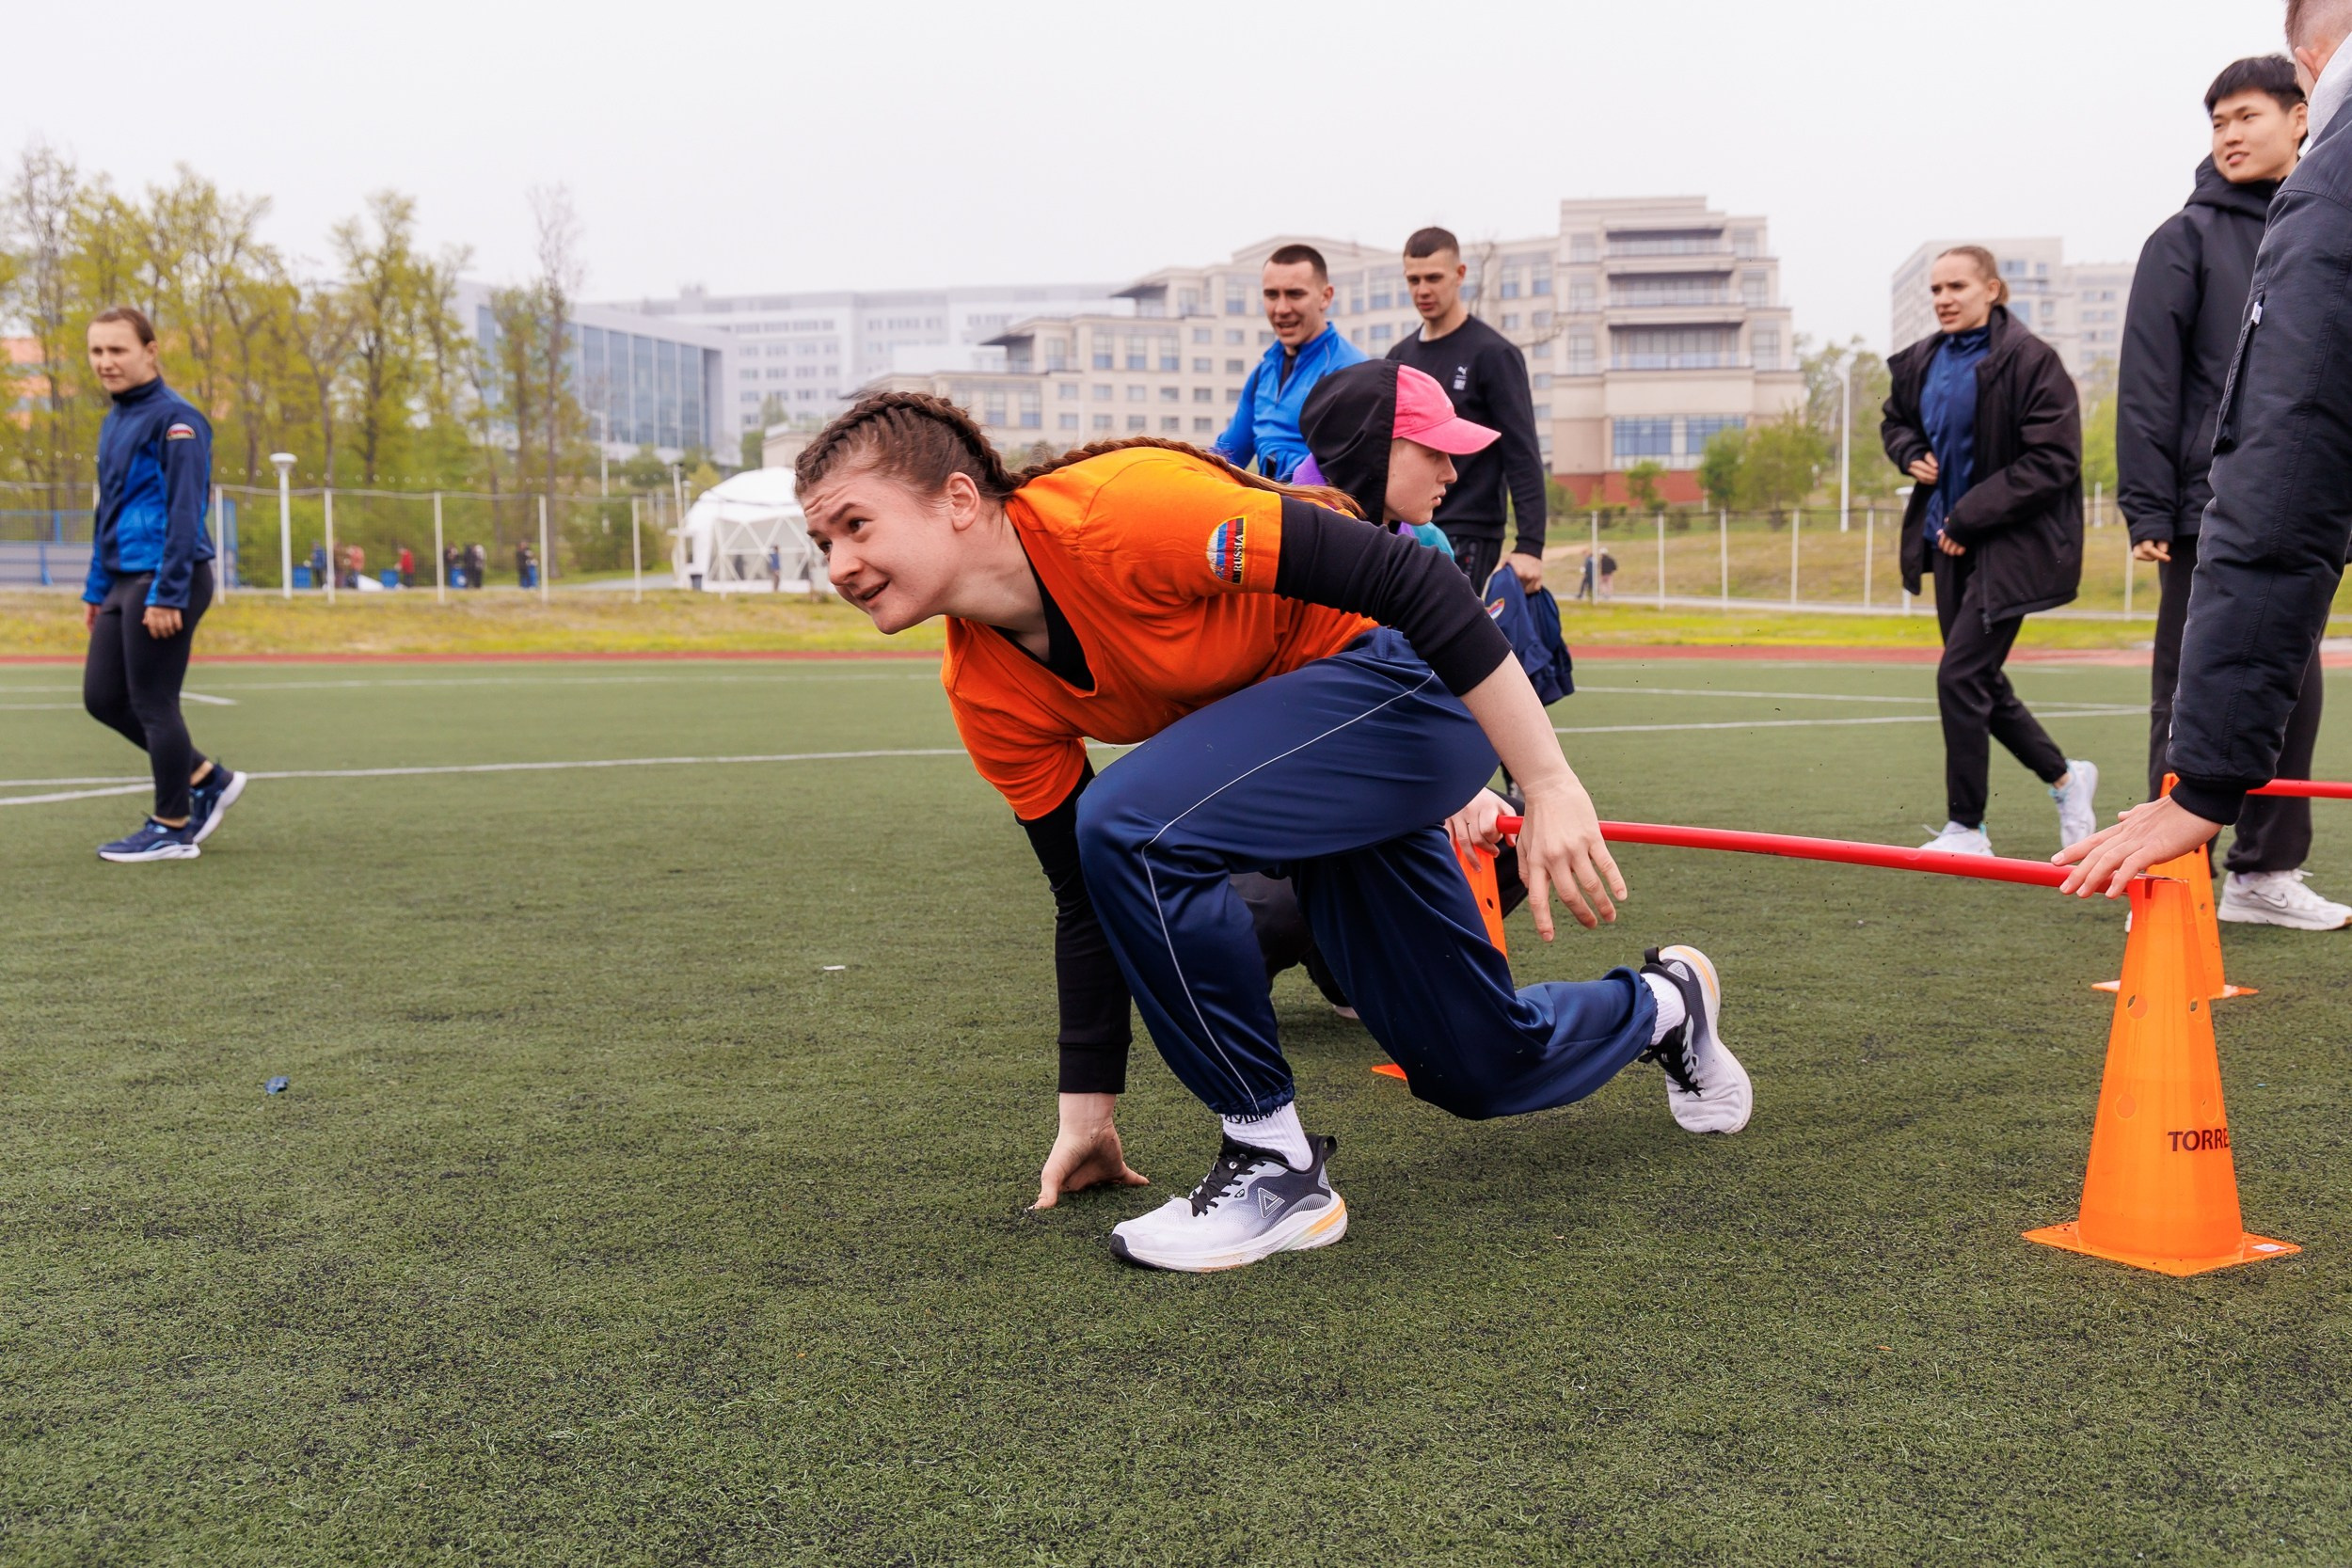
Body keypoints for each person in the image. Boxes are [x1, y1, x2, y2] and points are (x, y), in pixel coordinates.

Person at [795, 392, 1752, 1273]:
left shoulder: (1122, 515)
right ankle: (1666, 1005)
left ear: (959, 498)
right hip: (1312, 769)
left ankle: (1273, 1164)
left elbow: (1418, 585)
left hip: (1408, 686)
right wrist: (1086, 1110)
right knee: (1478, 1066)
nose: (838, 565)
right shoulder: (983, 689)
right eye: (820, 541)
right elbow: (1082, 897)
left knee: (1130, 817)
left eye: (855, 524)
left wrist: (1546, 779)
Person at [2063, 0, 2352, 897]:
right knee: (2193, 688)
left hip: (2297, 503)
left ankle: (2266, 869)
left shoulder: (2315, 207)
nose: (2229, 134)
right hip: (2210, 508)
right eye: (2217, 122)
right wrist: (2149, 505)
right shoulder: (2183, 239)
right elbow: (2149, 386)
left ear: (2305, 104)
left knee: (2291, 685)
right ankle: (2173, 874)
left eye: (2247, 116)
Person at [1882, 245, 2099, 858]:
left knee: (1960, 674)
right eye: (1936, 289)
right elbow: (1895, 420)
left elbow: (2054, 459)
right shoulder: (1921, 360)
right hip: (1945, 544)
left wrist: (1971, 514)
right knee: (1976, 678)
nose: (1944, 298)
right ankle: (2066, 777)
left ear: (1992, 290)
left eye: (1957, 286)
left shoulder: (2031, 361)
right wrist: (1907, 451)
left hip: (2009, 546)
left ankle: (1967, 827)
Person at [77, 307, 244, 863]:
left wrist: (168, 592)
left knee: (153, 701)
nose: (105, 362)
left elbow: (185, 511)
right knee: (103, 699)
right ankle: (206, 777)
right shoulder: (115, 419)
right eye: (97, 351)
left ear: (150, 350)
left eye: (117, 350)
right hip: (123, 579)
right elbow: (111, 510)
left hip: (167, 577)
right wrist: (96, 588)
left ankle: (172, 826)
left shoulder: (177, 419)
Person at [1387, 227, 1550, 590]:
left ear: (1460, 275)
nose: (1423, 290)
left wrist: (1530, 546)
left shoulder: (1494, 354)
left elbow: (1522, 453)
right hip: (1407, 525)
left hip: (1468, 529)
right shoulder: (1399, 358)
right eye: (1414, 279)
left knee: (1446, 642)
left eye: (1434, 278)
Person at [1213, 244, 1365, 482]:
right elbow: (1225, 457)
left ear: (1326, 297)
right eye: (1272, 295)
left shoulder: (1352, 372)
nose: (1281, 309)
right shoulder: (1263, 373)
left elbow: (1353, 475)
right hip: (1273, 510)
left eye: (1295, 294)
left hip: (1321, 514)